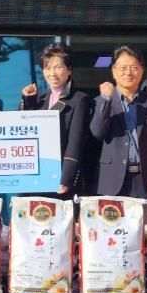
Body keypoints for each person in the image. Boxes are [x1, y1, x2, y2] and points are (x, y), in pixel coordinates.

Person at [90, 45, 147, 198]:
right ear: (114, 71)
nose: (128, 72)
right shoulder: (100, 101)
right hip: (110, 181)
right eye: (123, 68)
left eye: (134, 67)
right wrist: (106, 99)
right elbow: (98, 132)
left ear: (142, 70)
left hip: (145, 180)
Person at [20, 43, 91, 196]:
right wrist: (28, 101)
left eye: (58, 67)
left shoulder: (79, 99)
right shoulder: (39, 99)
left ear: (69, 69)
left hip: (60, 177)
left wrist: (66, 179)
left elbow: (75, 142)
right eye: (47, 68)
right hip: (35, 175)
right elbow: (23, 133)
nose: (52, 73)